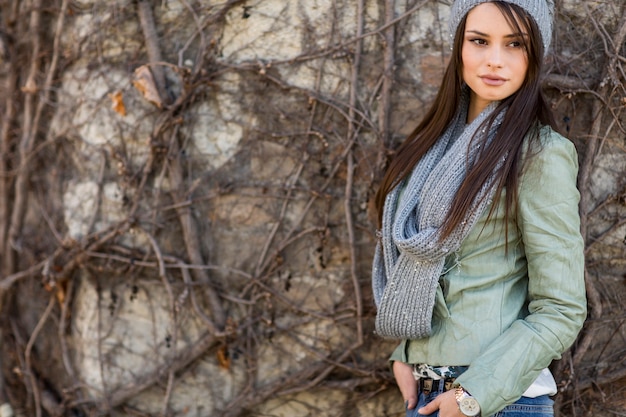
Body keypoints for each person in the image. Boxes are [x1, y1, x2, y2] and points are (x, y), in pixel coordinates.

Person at [371, 0, 587, 416]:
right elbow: (429, 271)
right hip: (428, 393)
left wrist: (474, 395)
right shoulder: (431, 150)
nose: (494, 60)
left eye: (515, 45)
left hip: (498, 399)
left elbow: (561, 307)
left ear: (535, 55)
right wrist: (408, 352)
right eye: (479, 41)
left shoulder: (539, 154)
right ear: (459, 46)